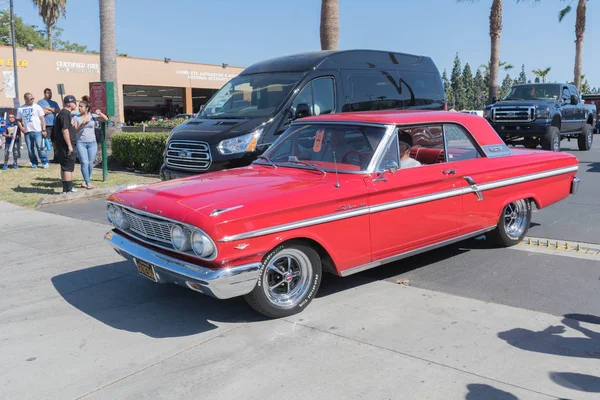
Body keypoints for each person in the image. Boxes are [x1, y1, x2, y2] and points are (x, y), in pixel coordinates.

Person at [73, 99, 108, 189]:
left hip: (92, 142)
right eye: (79, 106)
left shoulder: (92, 116)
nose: (79, 108)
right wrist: (82, 125)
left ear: (87, 108)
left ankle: (85, 181)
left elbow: (105, 119)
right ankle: (88, 182)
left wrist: (100, 113)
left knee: (90, 163)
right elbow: (75, 131)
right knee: (84, 162)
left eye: (81, 106)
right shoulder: (76, 117)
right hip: (81, 142)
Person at [52, 95, 78, 193]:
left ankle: (65, 189)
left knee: (64, 166)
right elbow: (65, 130)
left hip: (62, 145)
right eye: (74, 102)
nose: (76, 104)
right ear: (68, 103)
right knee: (68, 167)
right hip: (66, 145)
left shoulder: (65, 114)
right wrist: (69, 146)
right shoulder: (64, 114)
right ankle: (68, 189)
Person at [16, 92, 48, 168]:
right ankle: (34, 162)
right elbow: (18, 120)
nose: (33, 100)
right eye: (31, 99)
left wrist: (44, 130)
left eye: (33, 98)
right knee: (30, 149)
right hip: (27, 131)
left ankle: (44, 161)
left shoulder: (37, 107)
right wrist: (21, 128)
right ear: (26, 99)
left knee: (40, 147)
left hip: (37, 131)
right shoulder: (21, 108)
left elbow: (42, 119)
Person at [37, 88, 60, 162]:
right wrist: (52, 111)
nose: (50, 95)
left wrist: (49, 109)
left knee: (55, 142)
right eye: (48, 93)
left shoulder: (54, 103)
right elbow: (42, 112)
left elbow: (58, 110)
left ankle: (56, 158)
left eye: (51, 93)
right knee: (45, 141)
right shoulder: (40, 102)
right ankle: (44, 158)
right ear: (44, 94)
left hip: (54, 125)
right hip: (46, 125)